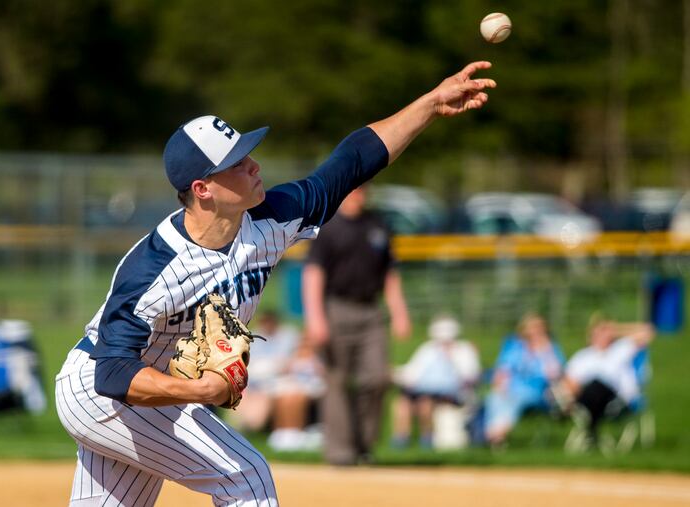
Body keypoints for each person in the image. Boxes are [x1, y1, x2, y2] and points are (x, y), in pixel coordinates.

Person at [55, 61, 496, 506]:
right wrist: (199, 390)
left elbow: (352, 161)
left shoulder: (272, 218)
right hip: (102, 392)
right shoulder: (153, 270)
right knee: (246, 477)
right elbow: (111, 372)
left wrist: (430, 104)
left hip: (142, 393)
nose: (254, 165)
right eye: (237, 163)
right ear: (203, 189)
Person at [301, 183, 411, 466]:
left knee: (377, 377)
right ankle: (340, 452)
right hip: (336, 308)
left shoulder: (377, 225)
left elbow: (390, 273)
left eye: (362, 190)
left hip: (371, 311)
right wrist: (315, 318)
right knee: (336, 380)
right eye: (352, 190)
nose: (357, 195)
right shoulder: (329, 228)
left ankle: (365, 444)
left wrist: (399, 312)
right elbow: (313, 273)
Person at [228, 310, 325, 452]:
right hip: (270, 383)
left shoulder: (290, 338)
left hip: (294, 382)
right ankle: (284, 433)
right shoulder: (252, 338)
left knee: (293, 395)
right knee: (284, 396)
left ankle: (293, 431)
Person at [557, 315, 655, 447]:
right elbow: (570, 381)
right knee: (592, 387)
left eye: (604, 332)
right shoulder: (583, 356)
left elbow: (648, 331)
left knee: (597, 385)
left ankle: (591, 431)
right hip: (587, 399)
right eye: (598, 332)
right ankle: (591, 431)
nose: (601, 335)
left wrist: (615, 329)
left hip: (617, 399)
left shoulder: (621, 348)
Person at [390, 315, 481, 450]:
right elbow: (412, 372)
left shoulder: (464, 350)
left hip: (452, 395)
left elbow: (471, 376)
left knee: (425, 403)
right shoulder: (428, 349)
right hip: (423, 391)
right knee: (402, 404)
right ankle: (401, 439)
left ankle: (427, 439)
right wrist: (393, 373)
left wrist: (452, 360)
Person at [483, 313, 565, 447]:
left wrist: (544, 351)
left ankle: (496, 434)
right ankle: (494, 435)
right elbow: (503, 369)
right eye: (531, 328)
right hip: (509, 389)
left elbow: (555, 374)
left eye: (538, 328)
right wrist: (500, 385)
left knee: (516, 400)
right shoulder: (514, 346)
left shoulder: (550, 349)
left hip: (536, 392)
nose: (535, 332)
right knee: (494, 397)